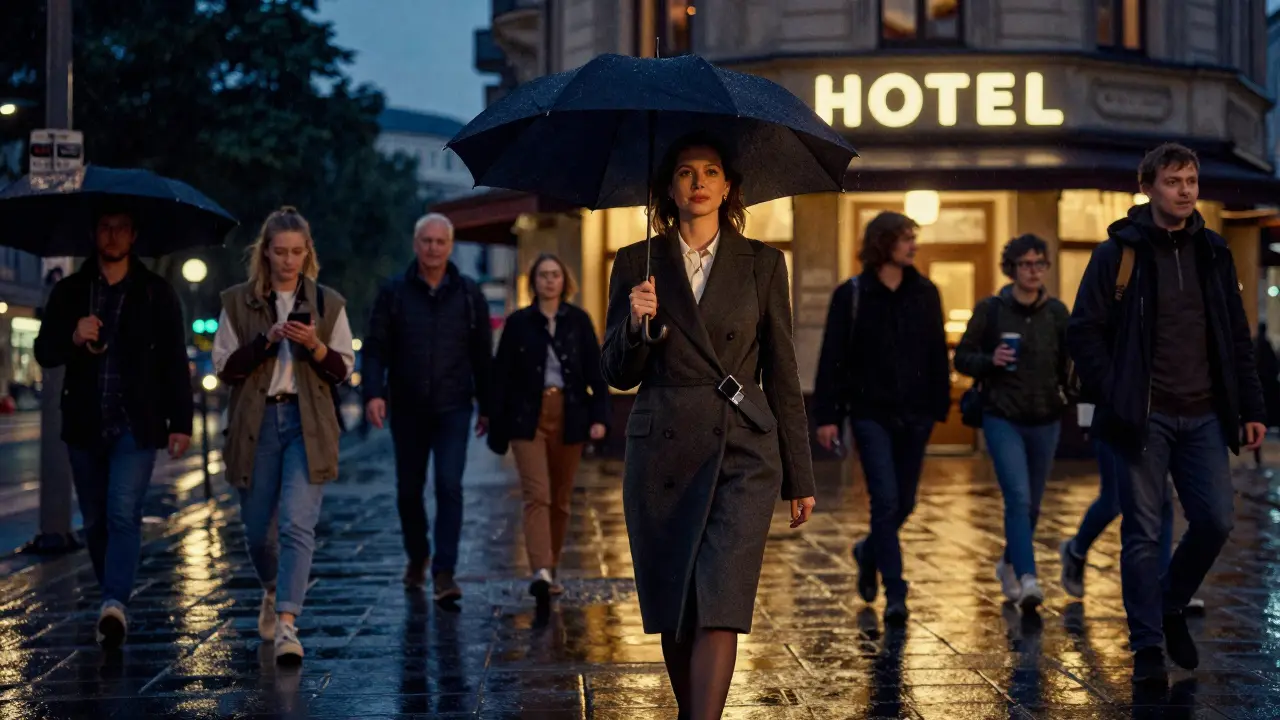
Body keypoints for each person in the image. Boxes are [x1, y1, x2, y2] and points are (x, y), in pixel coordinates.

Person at [601, 133, 815, 720]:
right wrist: (636, 326)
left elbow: (783, 369)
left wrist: (800, 475)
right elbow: (617, 374)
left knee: (720, 600)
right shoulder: (634, 264)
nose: (698, 182)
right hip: (663, 450)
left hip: (742, 447)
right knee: (678, 606)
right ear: (669, 189)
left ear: (728, 188)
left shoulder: (765, 264)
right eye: (686, 172)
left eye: (711, 172)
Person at [1068, 142, 1266, 684]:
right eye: (1174, 182)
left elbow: (1235, 337)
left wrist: (1251, 407)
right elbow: (1083, 330)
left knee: (1216, 520)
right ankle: (1148, 645)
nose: (1184, 191)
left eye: (1191, 182)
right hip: (1145, 416)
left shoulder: (1215, 252)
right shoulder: (1119, 252)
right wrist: (1117, 391)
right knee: (1144, 530)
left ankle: (1172, 602)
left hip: (1204, 413)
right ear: (1149, 187)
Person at [33, 206, 193, 649]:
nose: (113, 235)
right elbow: (44, 352)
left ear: (134, 235)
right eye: (105, 227)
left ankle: (114, 602)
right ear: (94, 233)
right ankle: (112, 595)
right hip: (85, 422)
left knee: (124, 511)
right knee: (97, 519)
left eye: (121, 228)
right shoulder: (70, 292)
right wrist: (72, 335)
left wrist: (181, 422)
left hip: (135, 424)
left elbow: (174, 362)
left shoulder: (155, 292)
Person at [212, 207, 354, 663]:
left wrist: (313, 345)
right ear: (265, 252)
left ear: (307, 252)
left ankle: (289, 625)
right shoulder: (238, 301)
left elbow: (343, 370)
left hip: (307, 424)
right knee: (257, 533)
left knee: (297, 524)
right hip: (256, 425)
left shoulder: (328, 301)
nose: (288, 260)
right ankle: (273, 590)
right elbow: (225, 368)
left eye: (297, 251)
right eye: (280, 252)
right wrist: (266, 341)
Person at [813, 211, 950, 622]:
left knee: (904, 502)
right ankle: (896, 591)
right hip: (870, 413)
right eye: (905, 238)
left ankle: (867, 550)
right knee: (885, 500)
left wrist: (939, 406)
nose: (913, 245)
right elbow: (832, 359)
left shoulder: (926, 292)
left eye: (914, 238)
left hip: (916, 415)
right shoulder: (851, 294)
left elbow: (936, 351)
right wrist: (827, 416)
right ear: (882, 243)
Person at [363, 213, 493, 602]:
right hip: (407, 406)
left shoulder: (470, 294)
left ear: (450, 246)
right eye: (426, 241)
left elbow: (482, 356)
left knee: (449, 486)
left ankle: (444, 572)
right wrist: (373, 393)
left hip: (454, 406)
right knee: (408, 490)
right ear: (416, 244)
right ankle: (418, 555)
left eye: (440, 242)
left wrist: (487, 406)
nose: (433, 248)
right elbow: (375, 348)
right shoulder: (394, 291)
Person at [954, 234, 1069, 610]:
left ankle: (1007, 563)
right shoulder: (991, 309)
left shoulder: (1056, 313)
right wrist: (991, 360)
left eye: (1039, 263)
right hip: (1002, 415)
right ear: (1012, 268)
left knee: (1033, 505)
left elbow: (1071, 363)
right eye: (1025, 264)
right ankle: (1028, 577)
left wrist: (1076, 398)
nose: (1033, 271)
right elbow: (962, 358)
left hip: (1046, 417)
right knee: (1017, 498)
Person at [487, 253, 610, 601]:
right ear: (534, 282)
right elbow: (501, 375)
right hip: (526, 416)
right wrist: (494, 419)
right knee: (537, 494)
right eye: (543, 275)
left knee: (560, 498)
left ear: (564, 281)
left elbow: (595, 373)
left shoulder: (578, 322)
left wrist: (600, 417)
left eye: (555, 274)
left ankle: (551, 567)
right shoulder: (519, 323)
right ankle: (540, 569)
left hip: (570, 413)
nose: (549, 281)